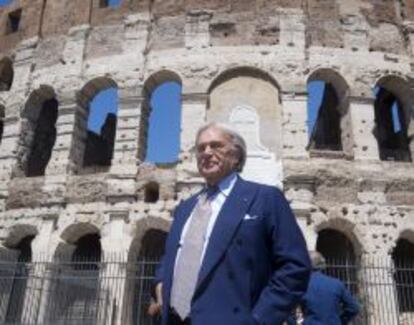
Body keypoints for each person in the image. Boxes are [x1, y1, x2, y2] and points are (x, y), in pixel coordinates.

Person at [150, 122, 311, 325]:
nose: (206, 152)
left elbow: (295, 266)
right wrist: (160, 282)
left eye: (216, 145)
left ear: (236, 155)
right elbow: (171, 255)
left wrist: (259, 319)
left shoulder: (265, 198)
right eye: (201, 148)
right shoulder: (185, 208)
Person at [290, 251, 360, 325]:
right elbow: (353, 307)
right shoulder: (336, 284)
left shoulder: (300, 285)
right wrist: (340, 321)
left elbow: (285, 310)